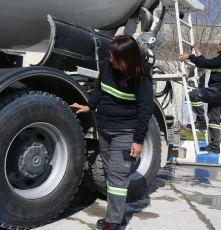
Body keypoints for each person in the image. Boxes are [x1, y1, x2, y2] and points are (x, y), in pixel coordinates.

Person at [70, 35, 153, 230]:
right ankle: (117, 215)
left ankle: (113, 222)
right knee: (112, 174)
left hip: (125, 132)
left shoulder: (141, 77)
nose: (110, 59)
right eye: (110, 54)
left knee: (117, 176)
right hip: (105, 130)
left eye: (114, 56)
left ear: (127, 59)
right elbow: (99, 91)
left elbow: (145, 110)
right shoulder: (107, 67)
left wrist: (138, 140)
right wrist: (89, 106)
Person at [178, 37, 221, 154]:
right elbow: (208, 63)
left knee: (193, 95)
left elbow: (207, 64)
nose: (217, 45)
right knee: (214, 119)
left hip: (219, 90)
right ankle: (215, 145)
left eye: (219, 44)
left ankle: (200, 121)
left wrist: (190, 57)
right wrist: (199, 56)